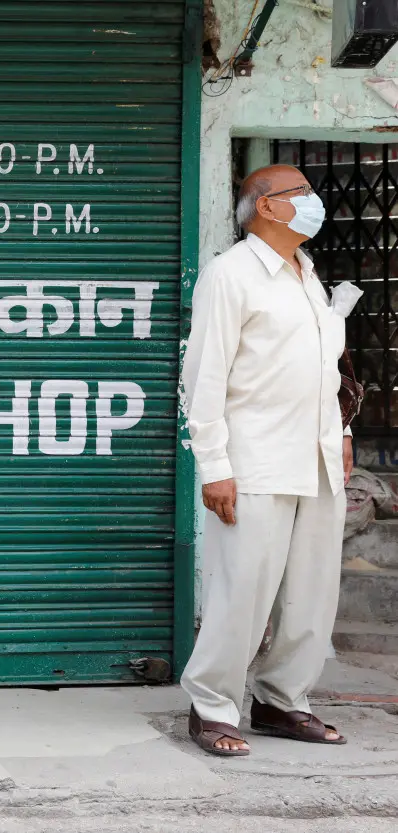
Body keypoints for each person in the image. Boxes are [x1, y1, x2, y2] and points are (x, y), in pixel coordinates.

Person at [181, 165, 352, 756]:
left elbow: (321, 373)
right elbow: (204, 377)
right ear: (267, 208)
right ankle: (211, 706)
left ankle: (282, 702)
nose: (314, 201)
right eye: (301, 193)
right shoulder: (232, 276)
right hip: (254, 461)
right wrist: (214, 466)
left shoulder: (306, 275)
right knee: (242, 592)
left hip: (319, 460)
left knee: (311, 595)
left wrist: (342, 432)